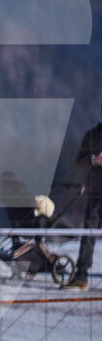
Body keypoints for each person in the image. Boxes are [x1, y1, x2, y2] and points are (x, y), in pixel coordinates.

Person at [69, 108, 102, 290]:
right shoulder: (92, 135)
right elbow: (79, 161)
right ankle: (81, 276)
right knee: (89, 235)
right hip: (96, 193)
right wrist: (93, 160)